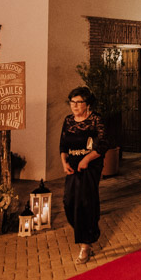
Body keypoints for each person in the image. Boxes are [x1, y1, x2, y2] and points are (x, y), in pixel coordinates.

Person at [60, 86, 109, 265]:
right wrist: (64, 163)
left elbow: (103, 145)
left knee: (85, 203)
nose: (74, 105)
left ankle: (85, 245)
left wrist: (87, 159)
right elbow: (63, 145)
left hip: (91, 165)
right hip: (73, 165)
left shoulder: (96, 120)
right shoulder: (68, 120)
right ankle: (86, 233)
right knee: (69, 202)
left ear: (87, 104)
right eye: (72, 102)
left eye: (78, 102)